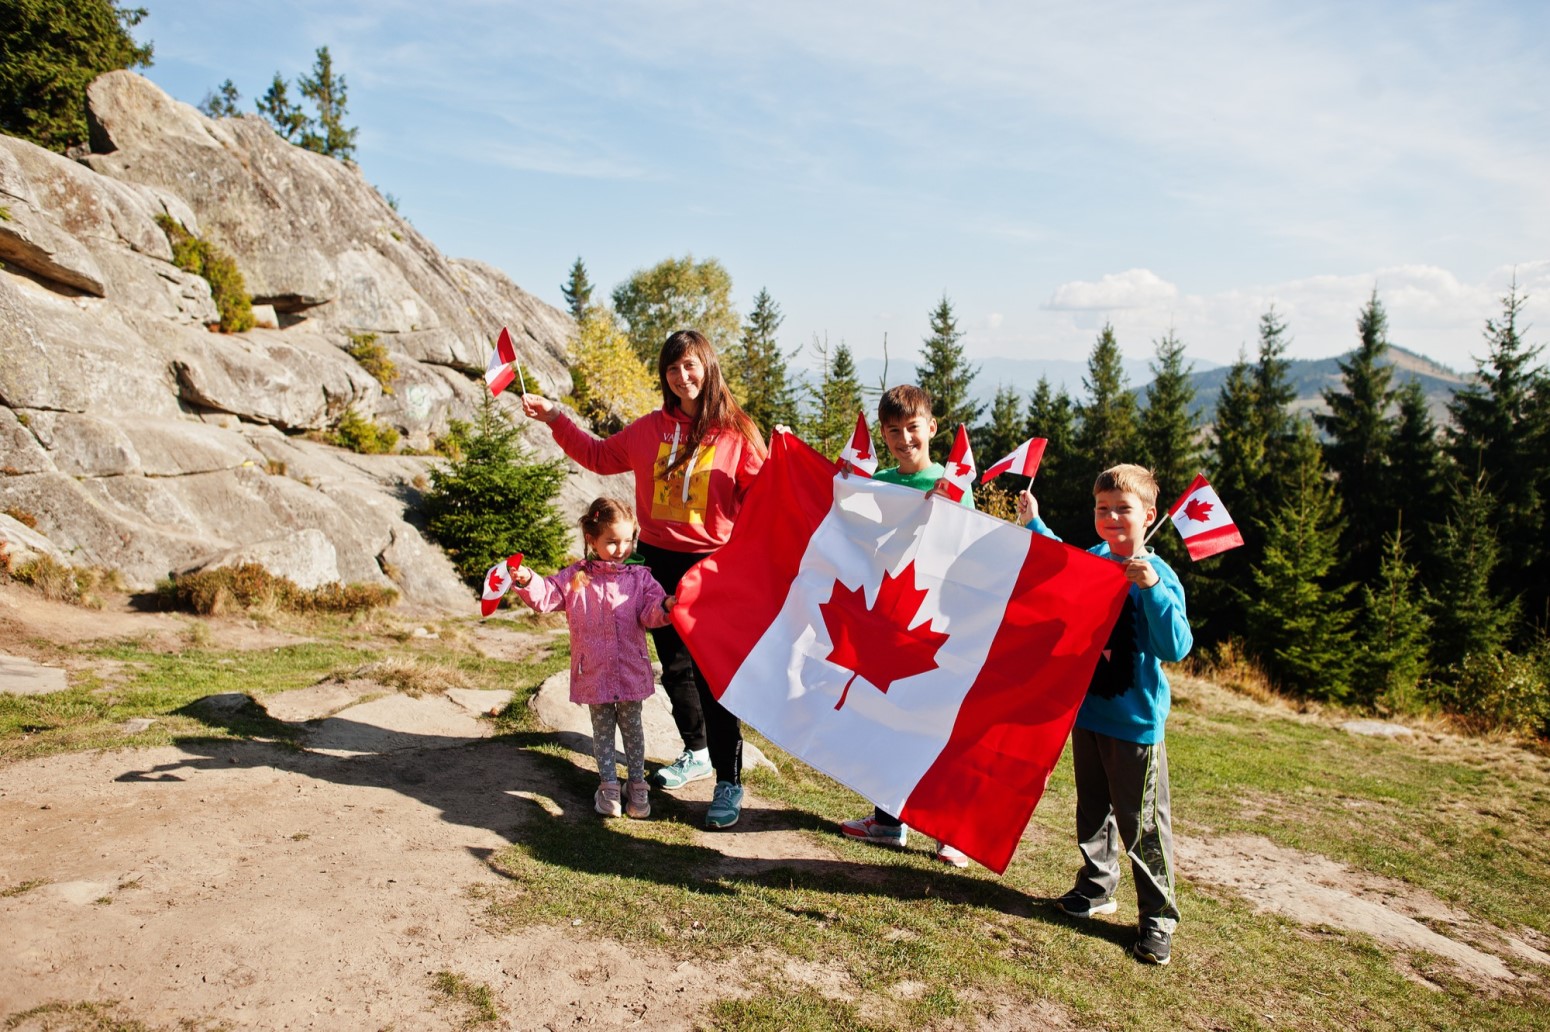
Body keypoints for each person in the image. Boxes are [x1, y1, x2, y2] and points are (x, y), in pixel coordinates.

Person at [521, 330, 766, 829]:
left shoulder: (736, 431)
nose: (683, 377)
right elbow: (595, 455)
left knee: (713, 675)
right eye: (673, 369)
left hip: (711, 565)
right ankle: (695, 751)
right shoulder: (648, 430)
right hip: (655, 561)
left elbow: (764, 496)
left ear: (708, 367)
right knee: (674, 667)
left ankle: (728, 780)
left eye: (691, 366)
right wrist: (554, 417)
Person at [1018, 463, 1192, 966]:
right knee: (1093, 811)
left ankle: (1157, 919)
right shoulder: (1095, 557)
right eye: (1102, 509)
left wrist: (1152, 587)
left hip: (1136, 725)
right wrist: (1035, 524)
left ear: (1149, 516)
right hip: (1089, 714)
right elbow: (1062, 562)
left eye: (1124, 509)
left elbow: (1176, 646)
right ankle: (1096, 887)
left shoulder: (1159, 574)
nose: (1112, 517)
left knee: (1143, 825)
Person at [836, 384, 972, 869]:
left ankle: (947, 831)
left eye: (912, 428)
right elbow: (854, 532)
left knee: (931, 723)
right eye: (893, 431)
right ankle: (888, 820)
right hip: (886, 620)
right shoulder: (882, 481)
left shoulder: (953, 482)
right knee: (885, 720)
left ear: (931, 428)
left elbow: (968, 548)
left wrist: (950, 505)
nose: (903, 438)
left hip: (936, 623)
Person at [510, 497, 675, 819]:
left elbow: (650, 612)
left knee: (633, 727)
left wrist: (667, 606)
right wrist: (529, 580)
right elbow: (546, 598)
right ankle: (609, 786)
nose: (621, 549)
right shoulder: (575, 577)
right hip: (595, 670)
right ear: (592, 540)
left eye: (628, 541)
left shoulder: (640, 578)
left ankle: (637, 785)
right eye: (611, 542)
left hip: (630, 668)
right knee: (602, 730)